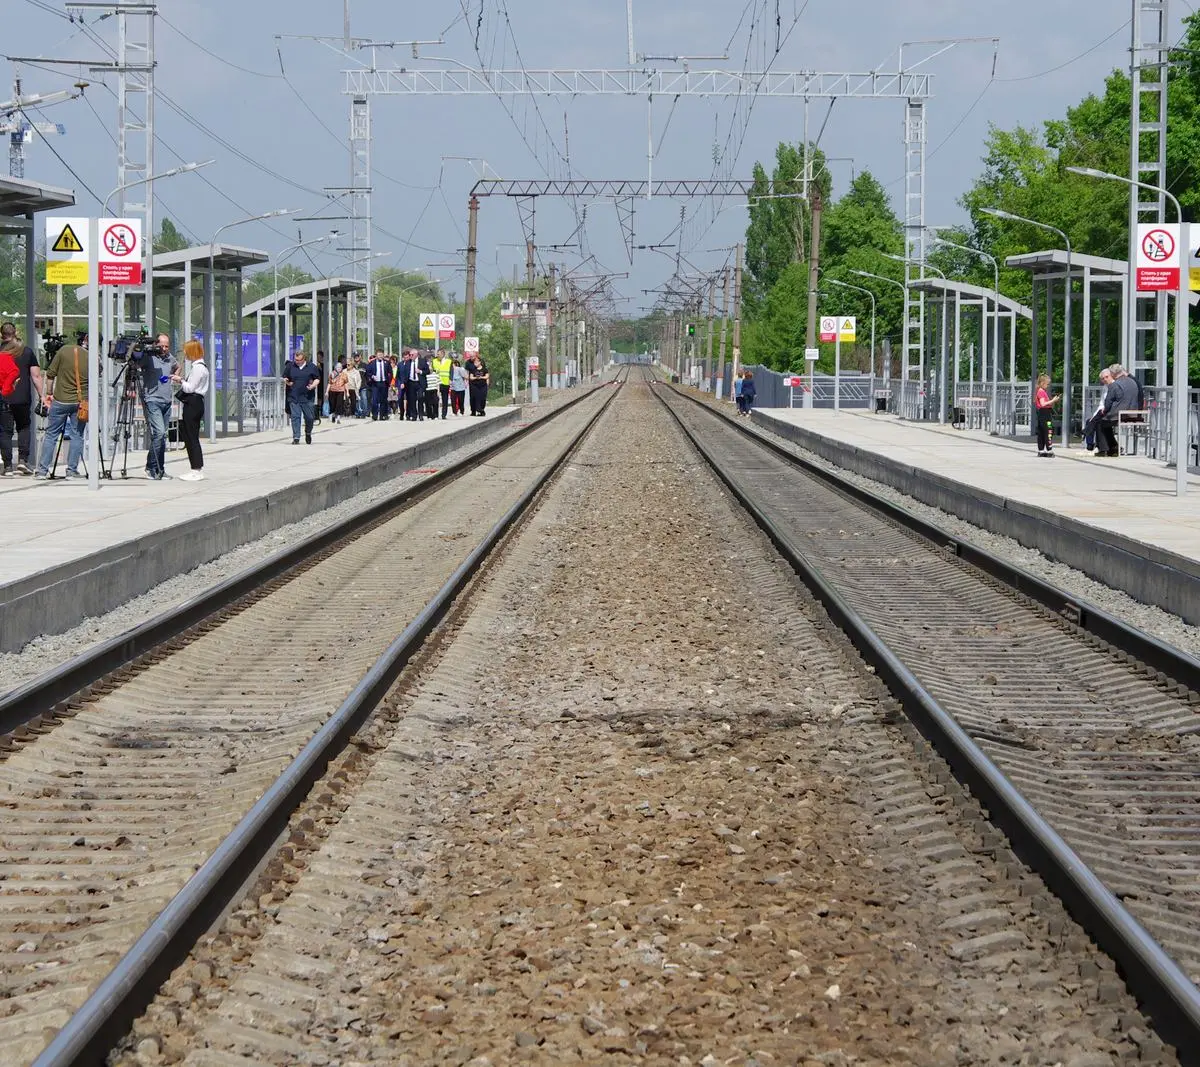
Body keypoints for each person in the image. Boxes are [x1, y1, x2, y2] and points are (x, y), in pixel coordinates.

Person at [35, 333, 88, 479]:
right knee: (77, 436)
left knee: (51, 435)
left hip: (61, 400)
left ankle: (42, 470)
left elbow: (50, 375)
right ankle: (71, 470)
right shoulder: (90, 355)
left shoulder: (63, 351)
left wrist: (50, 393)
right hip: (80, 402)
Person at [0, 323, 42, 476]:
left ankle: (8, 466)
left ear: (1, 334)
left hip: (3, 397)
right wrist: (42, 396)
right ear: (15, 332)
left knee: (5, 431)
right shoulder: (26, 351)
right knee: (23, 427)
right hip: (22, 397)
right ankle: (23, 460)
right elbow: (36, 376)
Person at [136, 333, 179, 480]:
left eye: (167, 346)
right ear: (156, 345)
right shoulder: (149, 357)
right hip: (152, 399)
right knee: (159, 433)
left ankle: (160, 469)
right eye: (161, 346)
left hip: (166, 401)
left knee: (162, 437)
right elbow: (136, 364)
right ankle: (150, 467)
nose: (164, 349)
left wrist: (173, 376)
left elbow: (177, 366)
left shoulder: (170, 358)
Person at [171, 339, 208, 480]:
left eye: (186, 350)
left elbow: (190, 388)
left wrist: (179, 380)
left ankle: (196, 469)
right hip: (196, 403)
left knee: (191, 437)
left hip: (193, 402)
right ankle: (195, 468)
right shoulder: (200, 367)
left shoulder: (198, 368)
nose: (185, 353)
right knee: (190, 435)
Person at [1096, 364, 1140, 458]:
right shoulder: (1132, 382)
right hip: (1133, 414)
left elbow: (1109, 401)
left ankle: (1105, 449)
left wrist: (1105, 410)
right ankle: (1113, 447)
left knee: (1100, 421)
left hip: (1121, 414)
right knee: (1105, 422)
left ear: (1113, 374)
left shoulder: (1115, 384)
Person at [283, 349, 320, 444]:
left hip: (307, 397)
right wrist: (287, 381)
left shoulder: (312, 367)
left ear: (304, 359)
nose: (297, 362)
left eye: (299, 360)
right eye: (295, 359)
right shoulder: (290, 366)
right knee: (295, 417)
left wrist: (312, 386)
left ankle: (308, 432)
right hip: (294, 396)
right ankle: (296, 437)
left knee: (310, 417)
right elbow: (285, 377)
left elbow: (317, 379)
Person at [1083, 369, 1113, 453]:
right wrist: (1095, 414)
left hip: (1110, 412)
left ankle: (1097, 445)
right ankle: (1089, 445)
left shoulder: (1114, 386)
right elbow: (1101, 403)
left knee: (1097, 422)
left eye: (1105, 378)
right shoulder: (1105, 387)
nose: (1104, 380)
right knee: (1090, 421)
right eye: (1102, 379)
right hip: (1103, 411)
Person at [1034, 373, 1059, 457]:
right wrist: (1053, 400)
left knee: (1041, 431)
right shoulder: (1041, 392)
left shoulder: (1040, 391)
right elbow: (1043, 403)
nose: (1048, 386)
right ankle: (1049, 449)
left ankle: (1041, 450)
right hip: (1045, 414)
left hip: (1042, 413)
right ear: (1042, 383)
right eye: (1047, 384)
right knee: (1049, 430)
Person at [402, 349, 431, 421]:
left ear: (416, 354)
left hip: (420, 383)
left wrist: (420, 371)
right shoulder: (408, 362)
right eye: (410, 355)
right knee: (412, 400)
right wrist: (403, 382)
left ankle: (421, 414)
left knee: (420, 398)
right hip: (411, 383)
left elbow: (427, 371)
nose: (410, 356)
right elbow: (404, 373)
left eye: (412, 355)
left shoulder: (422, 361)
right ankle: (414, 415)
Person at [364, 350, 392, 421]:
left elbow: (390, 373)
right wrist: (372, 376)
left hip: (384, 383)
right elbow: (367, 373)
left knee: (383, 400)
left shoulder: (387, 363)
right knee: (375, 400)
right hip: (375, 384)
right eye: (379, 355)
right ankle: (375, 414)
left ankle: (382, 415)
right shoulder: (372, 363)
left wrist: (388, 381)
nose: (380, 356)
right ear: (376, 355)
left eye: (381, 355)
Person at [432, 348, 453, 419]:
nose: (437, 355)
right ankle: (435, 415)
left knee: (445, 399)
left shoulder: (449, 361)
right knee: (435, 399)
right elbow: (432, 370)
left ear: (443, 354)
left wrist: (450, 379)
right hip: (436, 383)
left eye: (439, 354)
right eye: (437, 354)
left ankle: (444, 414)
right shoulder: (434, 361)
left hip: (445, 382)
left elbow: (451, 371)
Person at [314, 351, 326, 425]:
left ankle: (321, 411)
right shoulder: (313, 365)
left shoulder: (323, 365)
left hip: (321, 384)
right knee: (317, 398)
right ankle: (317, 412)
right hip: (315, 384)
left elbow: (324, 373)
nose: (318, 358)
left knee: (321, 398)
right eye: (317, 357)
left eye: (319, 357)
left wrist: (320, 368)